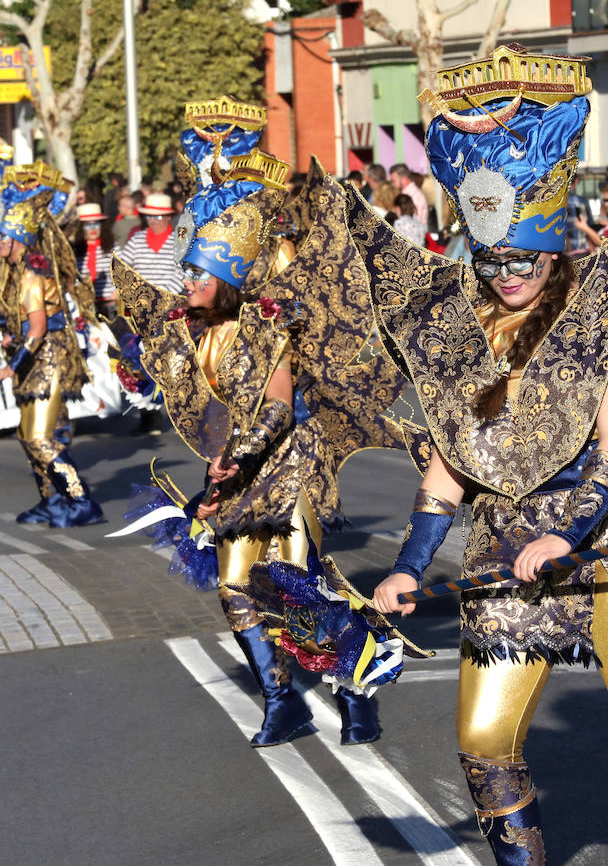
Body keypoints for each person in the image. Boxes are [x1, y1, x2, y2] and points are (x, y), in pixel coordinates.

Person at [364, 44, 608, 866]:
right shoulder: (454, 327)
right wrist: (409, 563)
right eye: (492, 258)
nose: (508, 274)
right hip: (507, 550)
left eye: (525, 258)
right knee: (482, 737)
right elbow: (451, 464)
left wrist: (566, 538)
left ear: (553, 245)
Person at [114, 101, 407, 749]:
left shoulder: (263, 323)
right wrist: (136, 363)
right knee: (233, 590)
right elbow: (166, 375)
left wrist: (239, 457)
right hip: (236, 476)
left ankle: (354, 691)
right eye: (186, 273)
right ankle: (281, 700)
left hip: (282, 473)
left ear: (227, 278)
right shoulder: (190, 329)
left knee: (298, 592)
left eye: (198, 275)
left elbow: (276, 409)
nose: (186, 284)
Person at [0, 192, 103, 528]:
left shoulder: (31, 275)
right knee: (28, 433)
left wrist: (11, 364)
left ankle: (81, 500)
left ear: (16, 239)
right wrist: (4, 329)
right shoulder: (19, 270)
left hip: (47, 359)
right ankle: (51, 500)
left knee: (39, 436)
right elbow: (28, 323)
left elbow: (37, 329)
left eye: (1, 237)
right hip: (36, 358)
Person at [116, 192, 181, 294]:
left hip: (171, 300)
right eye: (149, 216)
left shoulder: (179, 242)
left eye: (157, 217)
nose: (152, 220)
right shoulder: (136, 239)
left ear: (168, 217)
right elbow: (122, 266)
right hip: (140, 299)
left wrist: (163, 295)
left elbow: (181, 273)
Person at [74, 202, 115, 317]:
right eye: (87, 224)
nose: (93, 228)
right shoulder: (73, 251)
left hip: (109, 304)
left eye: (96, 223)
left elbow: (123, 275)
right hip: (82, 306)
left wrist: (116, 293)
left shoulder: (113, 249)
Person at [390, 163, 428, 228]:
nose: (392, 184)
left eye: (394, 181)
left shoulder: (416, 196)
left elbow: (415, 223)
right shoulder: (406, 193)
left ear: (404, 178)